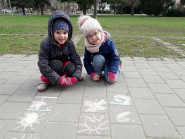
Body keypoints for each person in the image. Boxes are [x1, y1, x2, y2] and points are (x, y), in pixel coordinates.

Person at [37, 10, 82, 92]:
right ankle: (46, 81)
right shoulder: (45, 44)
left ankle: (66, 77)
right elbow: (42, 65)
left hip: (64, 64)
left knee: (71, 67)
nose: (62, 36)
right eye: (58, 33)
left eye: (65, 33)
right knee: (57, 64)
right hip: (53, 65)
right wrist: (58, 80)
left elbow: (76, 60)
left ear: (69, 33)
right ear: (52, 32)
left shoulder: (69, 43)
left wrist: (76, 76)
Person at [78, 15, 121, 83]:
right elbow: (86, 61)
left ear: (100, 32)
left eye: (95, 33)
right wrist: (92, 73)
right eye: (90, 36)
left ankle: (117, 68)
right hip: (99, 63)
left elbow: (115, 58)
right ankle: (98, 73)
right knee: (98, 57)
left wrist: (112, 73)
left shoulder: (109, 43)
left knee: (110, 80)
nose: (94, 38)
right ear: (86, 38)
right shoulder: (88, 46)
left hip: (110, 63)